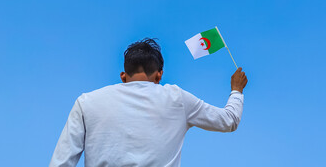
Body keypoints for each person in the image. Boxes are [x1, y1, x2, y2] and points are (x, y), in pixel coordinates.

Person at [49, 38, 248, 167]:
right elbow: (229, 121)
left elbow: (61, 163)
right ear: (159, 75)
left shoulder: (87, 102)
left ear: (123, 76)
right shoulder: (177, 99)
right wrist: (236, 90)